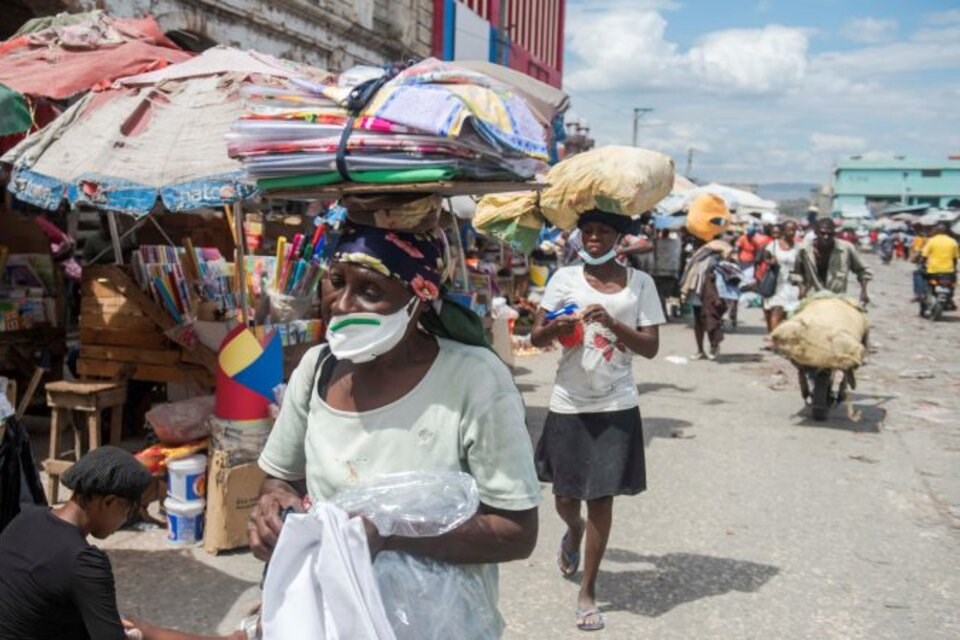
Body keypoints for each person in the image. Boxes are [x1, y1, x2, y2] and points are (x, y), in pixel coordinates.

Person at [250, 221, 540, 636]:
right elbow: (281, 477)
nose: (342, 304)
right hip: (328, 617)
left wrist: (391, 532)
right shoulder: (316, 369)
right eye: (336, 281)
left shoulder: (475, 379)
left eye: (370, 291)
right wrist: (273, 507)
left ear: (419, 298)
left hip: (438, 623)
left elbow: (516, 532)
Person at [530, 210, 664, 632]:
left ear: (618, 237)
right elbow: (534, 336)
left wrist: (612, 323)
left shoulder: (640, 283)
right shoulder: (562, 279)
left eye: (602, 231)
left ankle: (587, 591)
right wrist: (558, 325)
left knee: (601, 496)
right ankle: (573, 531)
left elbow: (650, 348)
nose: (592, 238)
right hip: (569, 399)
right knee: (567, 497)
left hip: (616, 402)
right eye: (586, 231)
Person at [0, 446, 242, 640]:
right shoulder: (84, 563)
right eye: (131, 510)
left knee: (130, 625)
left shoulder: (25, 519)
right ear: (109, 502)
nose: (127, 519)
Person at [791, 218, 871, 303]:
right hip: (812, 297)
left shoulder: (846, 248)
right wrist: (801, 288)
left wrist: (864, 292)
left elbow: (863, 271)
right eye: (822, 233)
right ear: (816, 233)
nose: (826, 237)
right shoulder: (804, 250)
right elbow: (797, 273)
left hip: (837, 297)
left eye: (830, 234)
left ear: (834, 233)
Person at [761, 220, 801, 333]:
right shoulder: (773, 245)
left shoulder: (799, 247)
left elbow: (801, 266)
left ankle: (785, 338)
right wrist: (771, 261)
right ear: (783, 231)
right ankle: (774, 339)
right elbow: (765, 258)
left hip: (792, 285)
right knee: (776, 310)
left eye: (794, 230)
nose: (792, 232)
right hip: (777, 282)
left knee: (790, 313)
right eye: (789, 230)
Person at [919, 222, 959, 309]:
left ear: (936, 231)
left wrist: (922, 263)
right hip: (948, 270)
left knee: (919, 275)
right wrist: (954, 268)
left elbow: (924, 255)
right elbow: (955, 258)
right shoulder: (953, 242)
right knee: (952, 283)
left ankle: (921, 294)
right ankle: (950, 299)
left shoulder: (932, 240)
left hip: (933, 270)